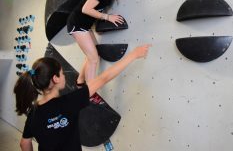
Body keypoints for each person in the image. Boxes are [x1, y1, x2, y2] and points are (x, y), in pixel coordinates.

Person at [13, 44, 150, 151]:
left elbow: (24, 143)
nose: (64, 75)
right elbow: (103, 78)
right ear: (55, 79)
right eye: (62, 73)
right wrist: (134, 54)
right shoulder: (69, 102)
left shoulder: (33, 113)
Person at [67, 0, 128, 84]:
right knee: (93, 58)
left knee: (93, 55)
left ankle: (80, 82)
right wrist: (108, 17)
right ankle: (90, 92)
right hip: (77, 24)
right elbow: (86, 9)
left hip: (85, 26)